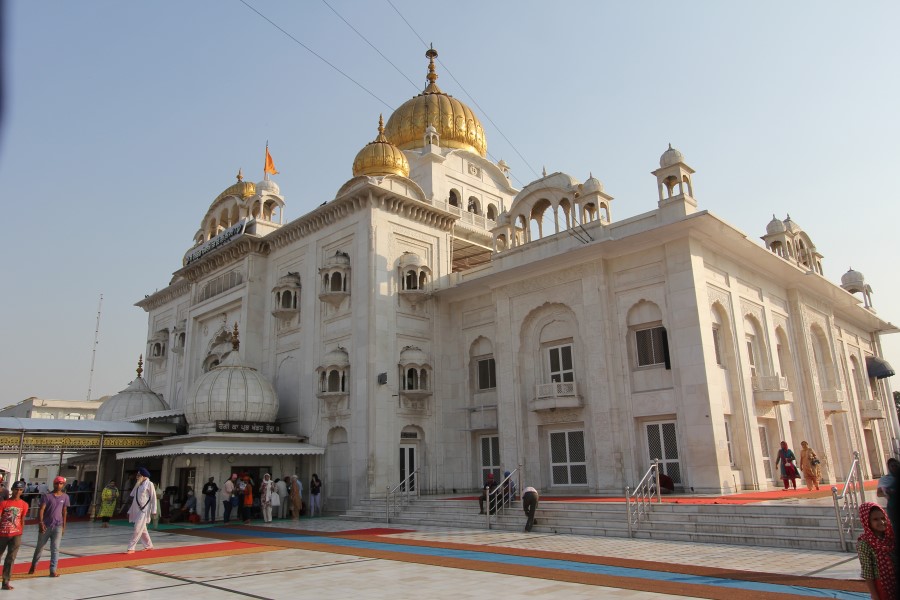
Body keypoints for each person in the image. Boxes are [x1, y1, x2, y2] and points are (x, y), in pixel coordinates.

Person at [29, 475, 69, 577]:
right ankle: (34, 565)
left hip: (58, 526)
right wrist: (41, 523)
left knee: (55, 548)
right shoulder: (47, 496)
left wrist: (64, 526)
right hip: (46, 525)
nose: (58, 485)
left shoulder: (65, 497)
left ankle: (53, 570)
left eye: (60, 484)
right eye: (57, 483)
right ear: (53, 484)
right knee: (40, 547)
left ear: (63, 485)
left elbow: (64, 511)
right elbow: (41, 509)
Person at [857, 502, 896, 599]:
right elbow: (867, 571)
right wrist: (874, 595)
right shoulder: (864, 543)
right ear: (867, 521)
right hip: (882, 585)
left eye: (883, 518)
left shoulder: (890, 536)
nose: (881, 522)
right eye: (875, 519)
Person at [0, 481, 29, 589]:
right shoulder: (4, 503)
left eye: (20, 490)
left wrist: (21, 532)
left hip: (16, 534)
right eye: (16, 489)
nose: (18, 492)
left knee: (11, 558)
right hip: (2, 534)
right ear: (12, 489)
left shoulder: (24, 504)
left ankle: (6, 581)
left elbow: (22, 519)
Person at [125, 467, 157, 554]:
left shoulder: (149, 484)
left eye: (139, 475)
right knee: (142, 529)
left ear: (143, 476)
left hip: (144, 510)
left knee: (137, 528)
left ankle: (131, 547)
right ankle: (149, 545)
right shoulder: (138, 485)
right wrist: (130, 510)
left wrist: (154, 510)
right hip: (137, 509)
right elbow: (134, 498)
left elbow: (153, 498)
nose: (137, 477)